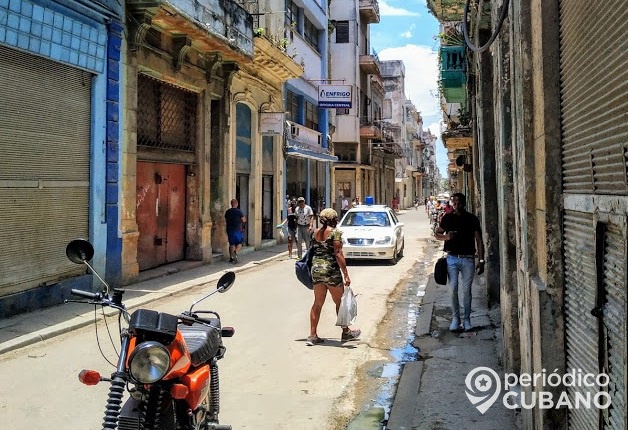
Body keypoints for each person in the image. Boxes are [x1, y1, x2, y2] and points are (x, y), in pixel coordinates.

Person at [307, 208, 361, 346]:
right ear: (331, 219)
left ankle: (312, 335)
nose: (337, 221)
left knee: (317, 303)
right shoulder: (335, 233)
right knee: (340, 303)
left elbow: (313, 250)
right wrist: (346, 275)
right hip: (331, 271)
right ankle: (346, 332)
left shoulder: (314, 233)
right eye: (335, 218)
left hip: (316, 270)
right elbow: (338, 253)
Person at [433, 193, 485, 332]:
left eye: (459, 202)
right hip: (452, 258)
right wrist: (446, 237)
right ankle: (456, 318)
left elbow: (479, 240)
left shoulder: (472, 219)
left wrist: (481, 259)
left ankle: (467, 320)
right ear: (452, 203)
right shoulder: (447, 218)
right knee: (453, 288)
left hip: (468, 258)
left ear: (464, 203)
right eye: (454, 202)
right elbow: (437, 233)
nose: (456, 204)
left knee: (467, 290)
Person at [225, 198, 246, 264]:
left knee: (232, 244)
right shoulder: (239, 211)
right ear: (236, 204)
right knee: (240, 243)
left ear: (231, 204)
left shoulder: (227, 211)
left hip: (229, 229)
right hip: (237, 229)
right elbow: (244, 220)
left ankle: (231, 258)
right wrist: (243, 227)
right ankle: (235, 253)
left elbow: (226, 219)